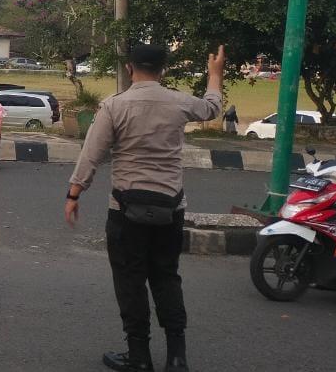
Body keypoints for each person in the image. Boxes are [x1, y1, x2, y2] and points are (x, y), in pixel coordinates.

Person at [65, 44, 225, 372]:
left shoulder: (114, 106)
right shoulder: (179, 101)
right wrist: (214, 75)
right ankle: (177, 357)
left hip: (125, 211)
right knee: (167, 277)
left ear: (129, 67)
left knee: (131, 282)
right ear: (163, 70)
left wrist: (74, 193)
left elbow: (91, 154)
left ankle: (139, 357)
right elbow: (211, 108)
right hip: (171, 208)